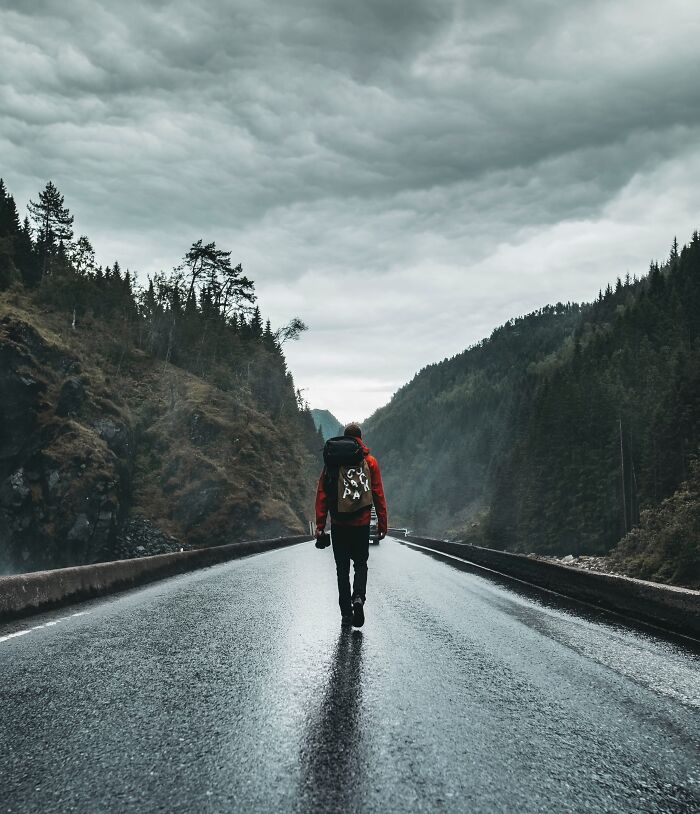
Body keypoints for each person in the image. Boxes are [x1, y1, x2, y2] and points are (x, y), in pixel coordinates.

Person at [315, 422, 388, 627]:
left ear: (345, 437)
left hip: (339, 523)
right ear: (360, 438)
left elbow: (322, 494)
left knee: (341, 569)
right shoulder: (370, 462)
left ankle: (346, 614)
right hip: (362, 524)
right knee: (361, 564)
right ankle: (359, 597)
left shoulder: (332, 461)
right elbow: (378, 493)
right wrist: (382, 523)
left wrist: (320, 524)